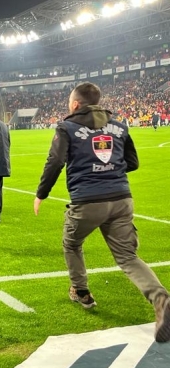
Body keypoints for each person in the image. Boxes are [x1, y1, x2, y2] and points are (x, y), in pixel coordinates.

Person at [34, 82, 170, 343]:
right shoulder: (119, 126)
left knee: (72, 243)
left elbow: (56, 161)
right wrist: (109, 171)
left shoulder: (66, 127)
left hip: (87, 200)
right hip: (121, 199)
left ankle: (81, 292)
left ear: (75, 104)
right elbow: (133, 162)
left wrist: (41, 194)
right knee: (128, 256)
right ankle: (161, 299)